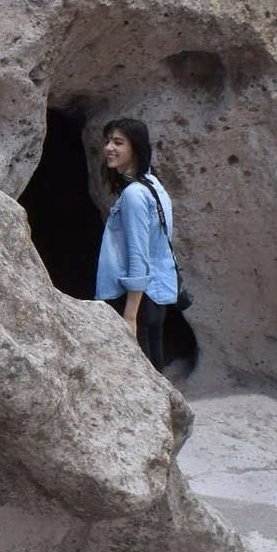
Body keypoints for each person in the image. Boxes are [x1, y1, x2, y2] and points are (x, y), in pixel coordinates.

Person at [95, 117, 179, 370]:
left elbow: (138, 255)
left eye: (118, 142)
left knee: (138, 379)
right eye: (107, 141)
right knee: (156, 376)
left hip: (136, 303)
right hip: (157, 297)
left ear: (136, 148)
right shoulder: (154, 185)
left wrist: (129, 316)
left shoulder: (134, 194)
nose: (109, 148)